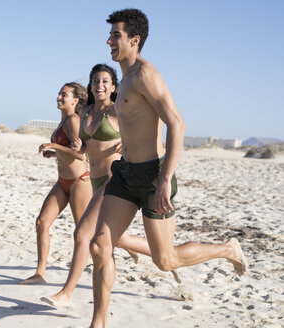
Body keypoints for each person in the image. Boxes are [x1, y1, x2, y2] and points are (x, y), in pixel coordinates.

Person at [89, 9, 248, 327]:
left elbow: (177, 124)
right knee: (99, 245)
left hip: (152, 177)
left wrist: (164, 181)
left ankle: (227, 248)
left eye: (116, 35)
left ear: (134, 40)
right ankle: (99, 323)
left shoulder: (146, 75)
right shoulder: (126, 81)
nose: (108, 41)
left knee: (165, 260)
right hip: (125, 173)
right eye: (110, 35)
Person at [40, 64, 179, 308]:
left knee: (83, 234)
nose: (99, 85)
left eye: (105, 81)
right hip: (95, 180)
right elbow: (83, 149)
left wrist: (126, 144)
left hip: (114, 180)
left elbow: (144, 133)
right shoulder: (85, 112)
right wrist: (67, 151)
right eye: (95, 81)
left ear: (114, 87)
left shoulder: (119, 111)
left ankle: (67, 293)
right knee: (118, 240)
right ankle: (169, 258)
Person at [20, 82, 93, 285]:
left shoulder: (73, 120)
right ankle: (40, 273)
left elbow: (81, 154)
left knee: (84, 231)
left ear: (75, 100)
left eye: (64, 95)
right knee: (42, 223)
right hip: (63, 182)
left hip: (80, 182)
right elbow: (68, 148)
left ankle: (124, 244)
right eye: (59, 94)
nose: (59, 97)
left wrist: (53, 144)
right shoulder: (63, 121)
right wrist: (54, 152)